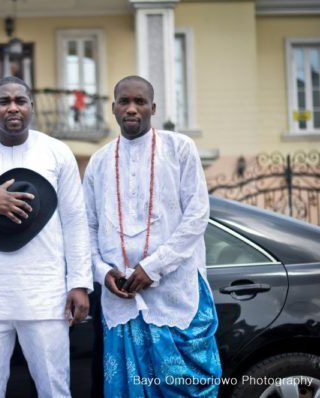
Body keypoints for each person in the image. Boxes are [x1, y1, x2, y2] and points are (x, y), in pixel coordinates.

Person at [0, 76, 93, 398]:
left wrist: (79, 282)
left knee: (55, 388)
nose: (13, 108)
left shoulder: (56, 152)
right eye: (5, 101)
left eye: (20, 101)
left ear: (31, 107)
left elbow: (76, 221)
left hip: (46, 295)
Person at [83, 76, 221, 397]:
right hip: (121, 301)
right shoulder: (99, 161)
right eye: (124, 102)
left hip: (175, 294)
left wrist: (153, 267)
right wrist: (103, 274)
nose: (131, 109)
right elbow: (86, 228)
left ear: (153, 108)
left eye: (140, 102)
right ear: (113, 108)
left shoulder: (180, 148)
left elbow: (197, 215)